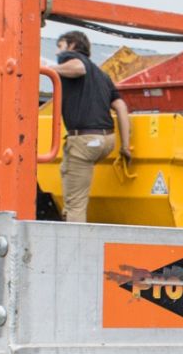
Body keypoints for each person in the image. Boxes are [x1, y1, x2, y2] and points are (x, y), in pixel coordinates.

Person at [53, 30, 133, 222]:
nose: (58, 53)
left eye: (61, 47)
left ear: (72, 45)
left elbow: (79, 67)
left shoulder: (73, 60)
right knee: (68, 172)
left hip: (85, 140)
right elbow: (121, 107)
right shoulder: (103, 76)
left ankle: (73, 248)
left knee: (75, 206)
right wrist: (125, 146)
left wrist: (44, 68)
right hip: (107, 141)